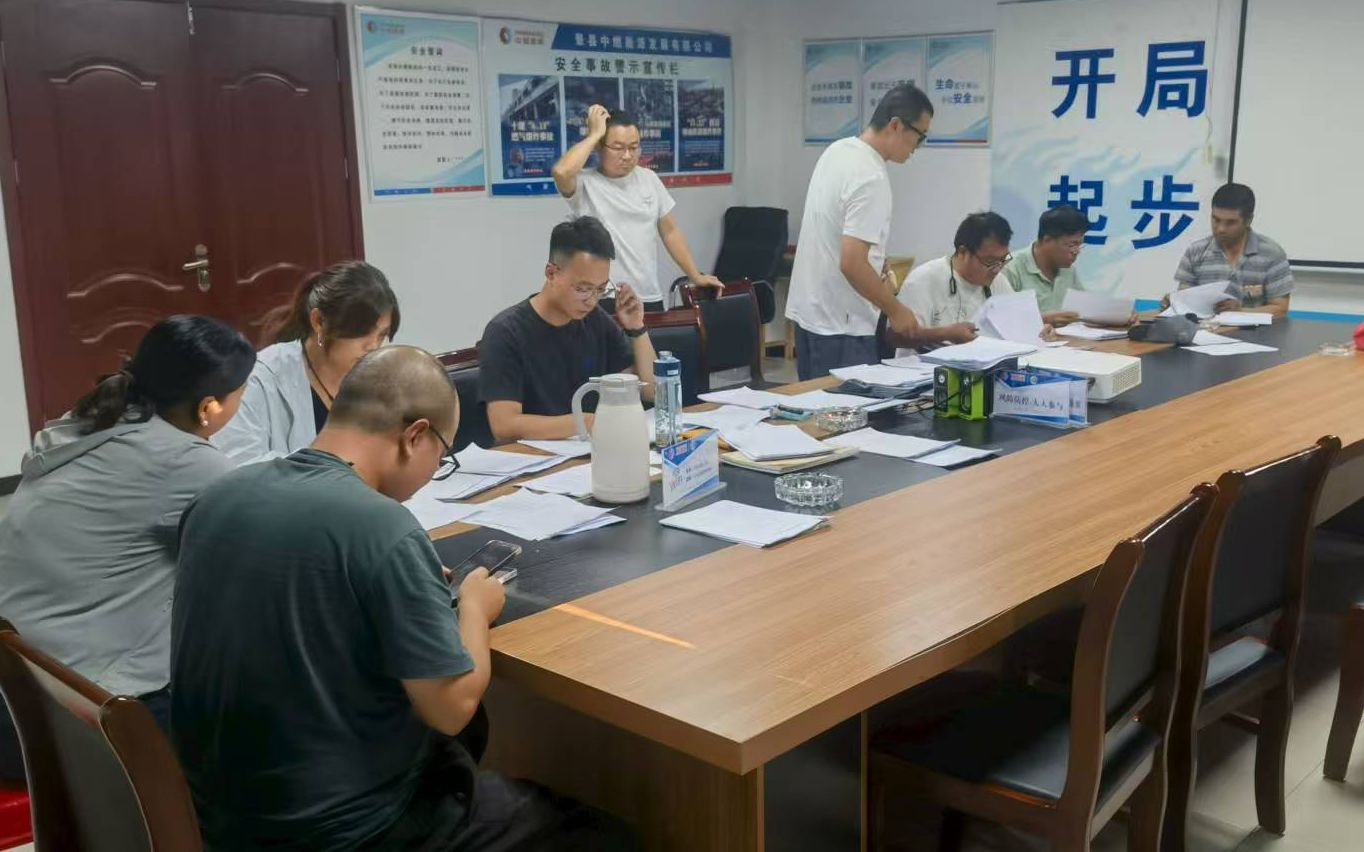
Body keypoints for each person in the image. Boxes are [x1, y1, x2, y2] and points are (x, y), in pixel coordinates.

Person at [171, 346, 637, 851]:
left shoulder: (218, 496)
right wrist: (475, 608)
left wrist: (403, 579)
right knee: (604, 834)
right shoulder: (381, 526)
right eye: (443, 455)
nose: (435, 469)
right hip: (345, 830)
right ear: (415, 435)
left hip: (218, 819)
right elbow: (451, 707)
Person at [0, 315, 254, 782]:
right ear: (209, 407)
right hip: (70, 718)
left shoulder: (85, 425)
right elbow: (266, 556)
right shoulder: (187, 463)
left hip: (15, 687)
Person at [784, 83, 933, 380]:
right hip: (843, 327)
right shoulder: (871, 176)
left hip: (810, 317)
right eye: (920, 136)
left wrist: (876, 263)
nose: (918, 146)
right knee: (845, 409)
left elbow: (834, 233)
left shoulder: (838, 151)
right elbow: (852, 262)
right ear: (895, 125)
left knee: (814, 405)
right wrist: (896, 310)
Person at [479, 217, 657, 443]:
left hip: (592, 451)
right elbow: (504, 426)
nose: (592, 300)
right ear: (551, 273)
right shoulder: (506, 332)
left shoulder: (596, 320)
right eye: (582, 289)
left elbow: (650, 391)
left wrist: (636, 328)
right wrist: (587, 422)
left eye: (601, 289)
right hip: (536, 458)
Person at [213, 260, 399, 464]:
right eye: (361, 332)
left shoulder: (374, 381)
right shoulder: (259, 379)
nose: (373, 346)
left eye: (382, 335)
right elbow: (239, 464)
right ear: (319, 322)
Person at [552, 106, 722, 311]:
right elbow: (561, 172)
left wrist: (695, 275)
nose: (627, 156)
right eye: (618, 147)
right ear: (600, 147)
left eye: (634, 147)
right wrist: (594, 134)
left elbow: (670, 232)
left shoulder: (649, 179)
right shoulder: (585, 184)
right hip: (602, 297)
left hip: (647, 295)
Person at [886, 212, 1017, 355]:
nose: (997, 269)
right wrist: (945, 334)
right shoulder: (924, 279)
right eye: (990, 261)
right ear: (963, 252)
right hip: (926, 366)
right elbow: (896, 337)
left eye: (1003, 260)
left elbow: (1014, 327)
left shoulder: (999, 282)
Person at [1169, 182, 1293, 316]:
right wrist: (1174, 302)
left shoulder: (1271, 254)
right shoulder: (1195, 252)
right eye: (1216, 220)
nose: (1221, 229)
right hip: (1204, 327)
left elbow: (1280, 308)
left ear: (1248, 220)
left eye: (1231, 222)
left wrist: (1240, 312)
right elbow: (1185, 300)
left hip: (1255, 329)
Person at [1001, 204, 1089, 326]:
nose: (1076, 251)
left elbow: (1084, 310)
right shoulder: (1010, 267)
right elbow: (1001, 319)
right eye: (1071, 245)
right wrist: (1042, 319)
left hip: (1065, 337)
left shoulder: (1068, 269)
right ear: (1047, 240)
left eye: (1079, 245)